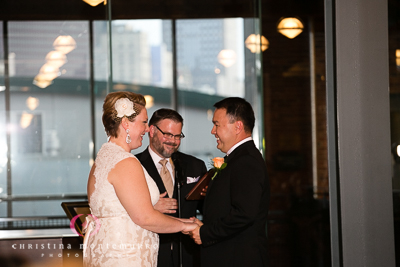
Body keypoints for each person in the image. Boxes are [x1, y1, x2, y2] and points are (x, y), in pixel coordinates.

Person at [84, 92, 198, 267]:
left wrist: (187, 222)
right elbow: (145, 218)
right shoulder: (125, 162)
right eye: (144, 122)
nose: (147, 129)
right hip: (127, 256)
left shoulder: (103, 159)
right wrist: (188, 226)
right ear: (125, 124)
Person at [188, 97, 270, 266]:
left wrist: (205, 233)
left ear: (238, 126)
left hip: (237, 258)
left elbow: (244, 214)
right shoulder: (238, 158)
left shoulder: (246, 161)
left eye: (217, 124)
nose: (213, 131)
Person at [136, 108, 207, 267]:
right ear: (152, 130)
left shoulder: (195, 166)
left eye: (177, 136)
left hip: (189, 255)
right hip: (151, 255)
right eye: (167, 134)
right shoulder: (134, 165)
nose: (173, 141)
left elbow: (207, 209)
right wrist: (149, 207)